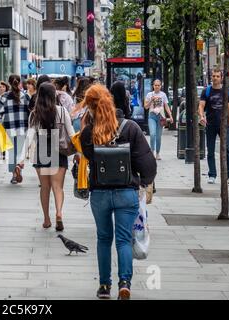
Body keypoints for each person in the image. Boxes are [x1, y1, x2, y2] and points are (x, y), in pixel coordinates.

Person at [80, 84, 157, 300]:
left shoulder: (89, 132)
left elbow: (87, 155)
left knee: (104, 238)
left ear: (90, 106)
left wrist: (87, 123)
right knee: (123, 239)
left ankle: (104, 286)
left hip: (100, 194)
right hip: (126, 191)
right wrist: (145, 182)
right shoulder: (130, 128)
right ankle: (125, 283)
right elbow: (148, 163)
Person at [20, 82, 75, 232]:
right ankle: (59, 213)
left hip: (43, 150)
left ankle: (46, 219)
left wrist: (20, 160)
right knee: (58, 187)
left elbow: (29, 137)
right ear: (53, 95)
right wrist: (81, 153)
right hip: (59, 150)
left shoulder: (35, 113)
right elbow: (71, 134)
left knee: (45, 187)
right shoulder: (62, 111)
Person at [199, 69, 229, 184]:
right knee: (210, 151)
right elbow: (201, 106)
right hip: (210, 124)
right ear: (211, 77)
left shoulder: (226, 91)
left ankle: (228, 174)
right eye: (214, 76)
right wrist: (202, 116)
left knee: (227, 150)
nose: (215, 78)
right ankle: (212, 174)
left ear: (221, 78)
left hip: (225, 125)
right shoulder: (206, 91)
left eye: (217, 76)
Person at [0, 74, 30, 184]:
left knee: (11, 152)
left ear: (9, 83)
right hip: (22, 128)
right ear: (19, 82)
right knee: (20, 152)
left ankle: (14, 175)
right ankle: (18, 167)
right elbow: (30, 111)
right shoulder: (25, 96)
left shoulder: (4, 96)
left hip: (9, 128)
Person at [144, 79, 173, 160]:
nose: (157, 87)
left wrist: (170, 116)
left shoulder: (163, 95)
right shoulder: (149, 94)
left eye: (158, 85)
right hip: (152, 116)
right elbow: (146, 107)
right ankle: (152, 152)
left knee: (158, 137)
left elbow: (166, 106)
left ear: (160, 86)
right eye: (155, 85)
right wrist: (151, 101)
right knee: (152, 134)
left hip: (160, 117)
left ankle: (157, 153)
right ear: (153, 86)